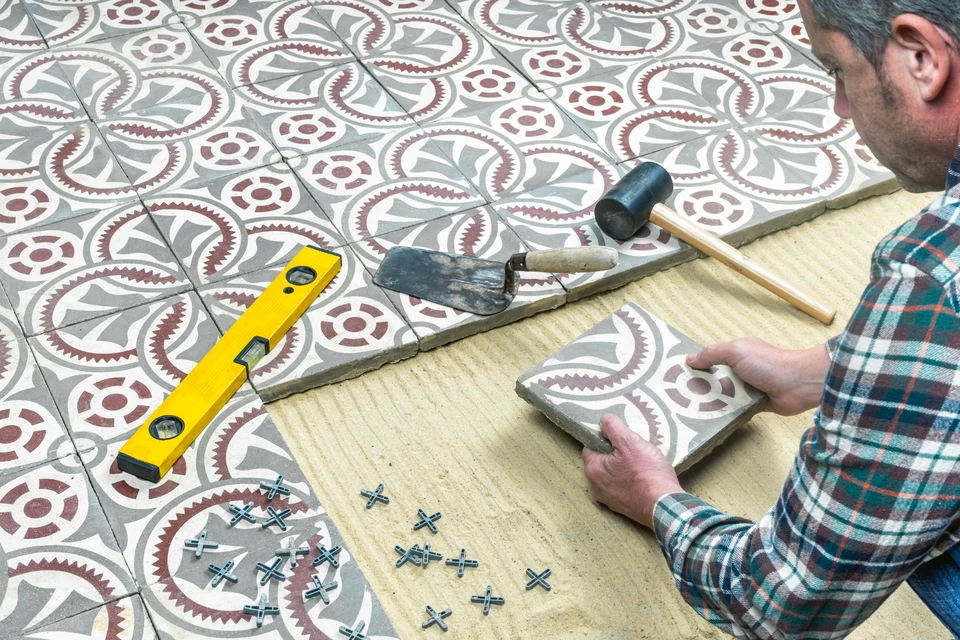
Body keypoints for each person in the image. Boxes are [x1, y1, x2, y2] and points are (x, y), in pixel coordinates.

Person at [581, 0, 960, 637]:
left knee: (928, 546)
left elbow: (784, 602)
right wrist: (825, 371)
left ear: (922, 57)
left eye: (837, 69)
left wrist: (657, 500)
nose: (840, 106)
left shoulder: (931, 275)